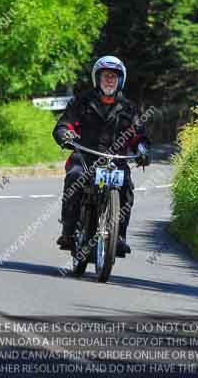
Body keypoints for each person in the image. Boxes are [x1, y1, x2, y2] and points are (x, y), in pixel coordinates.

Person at [52, 55, 151, 257]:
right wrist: (66, 135)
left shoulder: (130, 108)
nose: (109, 80)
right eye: (106, 76)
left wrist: (142, 150)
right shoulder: (81, 102)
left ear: (120, 80)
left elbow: (138, 136)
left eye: (114, 76)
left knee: (126, 185)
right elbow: (64, 125)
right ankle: (68, 231)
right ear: (97, 78)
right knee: (75, 177)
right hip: (84, 157)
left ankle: (119, 236)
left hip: (116, 161)